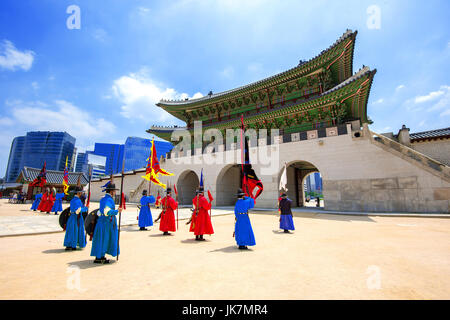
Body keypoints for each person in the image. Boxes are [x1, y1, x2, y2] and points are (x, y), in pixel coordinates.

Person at [90, 182, 122, 264]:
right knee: (104, 239)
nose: (115, 193)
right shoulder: (108, 199)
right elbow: (106, 211)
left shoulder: (104, 198)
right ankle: (99, 257)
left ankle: (100, 256)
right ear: (111, 191)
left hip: (102, 222)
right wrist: (117, 211)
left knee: (101, 239)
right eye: (114, 191)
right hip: (106, 223)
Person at [63, 186, 88, 251]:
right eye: (81, 193)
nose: (81, 194)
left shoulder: (73, 200)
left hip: (72, 217)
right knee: (75, 231)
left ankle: (69, 245)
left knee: (71, 231)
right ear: (78, 193)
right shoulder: (78, 200)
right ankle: (73, 245)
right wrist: (85, 208)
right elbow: (78, 210)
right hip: (76, 218)